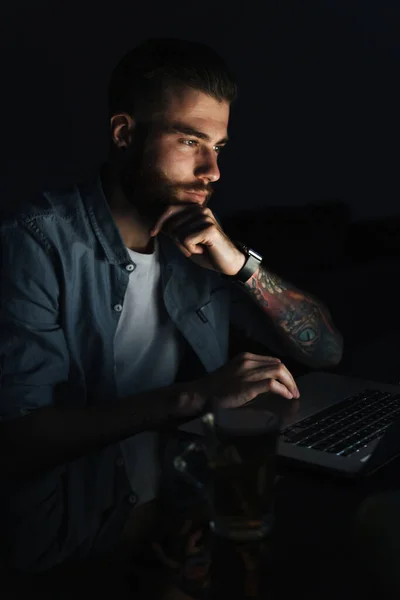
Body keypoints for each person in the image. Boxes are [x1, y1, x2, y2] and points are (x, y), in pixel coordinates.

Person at [0, 37, 343, 596]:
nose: (212, 170)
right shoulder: (35, 243)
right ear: (124, 134)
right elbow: (15, 440)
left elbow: (326, 349)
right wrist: (197, 397)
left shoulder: (200, 242)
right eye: (190, 140)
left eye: (219, 147)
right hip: (78, 547)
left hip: (189, 520)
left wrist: (239, 264)